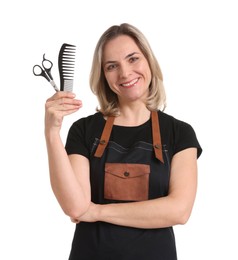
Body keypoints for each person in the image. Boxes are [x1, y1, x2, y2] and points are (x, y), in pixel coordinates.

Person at [45, 23, 202, 260]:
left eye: (133, 59)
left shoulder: (179, 133)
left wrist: (96, 211)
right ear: (103, 75)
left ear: (148, 60)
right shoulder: (84, 130)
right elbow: (76, 207)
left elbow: (179, 211)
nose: (125, 73)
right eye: (112, 66)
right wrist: (52, 133)